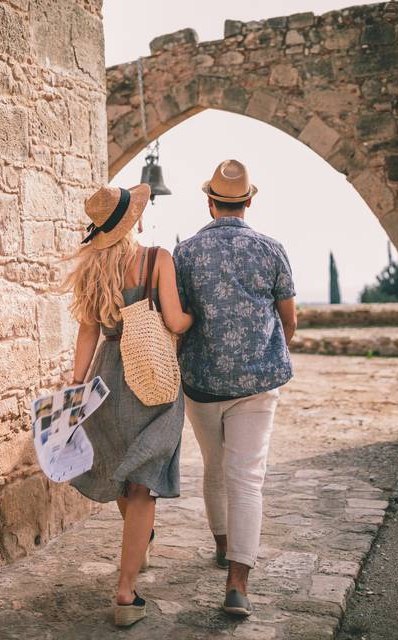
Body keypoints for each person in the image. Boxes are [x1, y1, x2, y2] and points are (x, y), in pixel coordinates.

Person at [63, 183, 194, 627]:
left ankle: (138, 550)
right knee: (142, 484)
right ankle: (124, 591)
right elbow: (175, 320)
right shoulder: (157, 259)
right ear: (133, 220)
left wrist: (76, 387)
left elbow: (87, 334)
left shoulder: (92, 270)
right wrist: (193, 318)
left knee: (124, 472)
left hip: (106, 379)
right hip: (151, 376)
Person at [172, 160, 298, 616]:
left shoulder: (184, 253)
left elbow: (178, 321)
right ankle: (237, 583)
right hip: (258, 383)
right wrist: (266, 353)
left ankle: (223, 546)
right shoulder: (271, 249)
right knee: (247, 478)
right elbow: (290, 320)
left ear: (209, 202)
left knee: (214, 467)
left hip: (202, 383)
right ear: (249, 201)